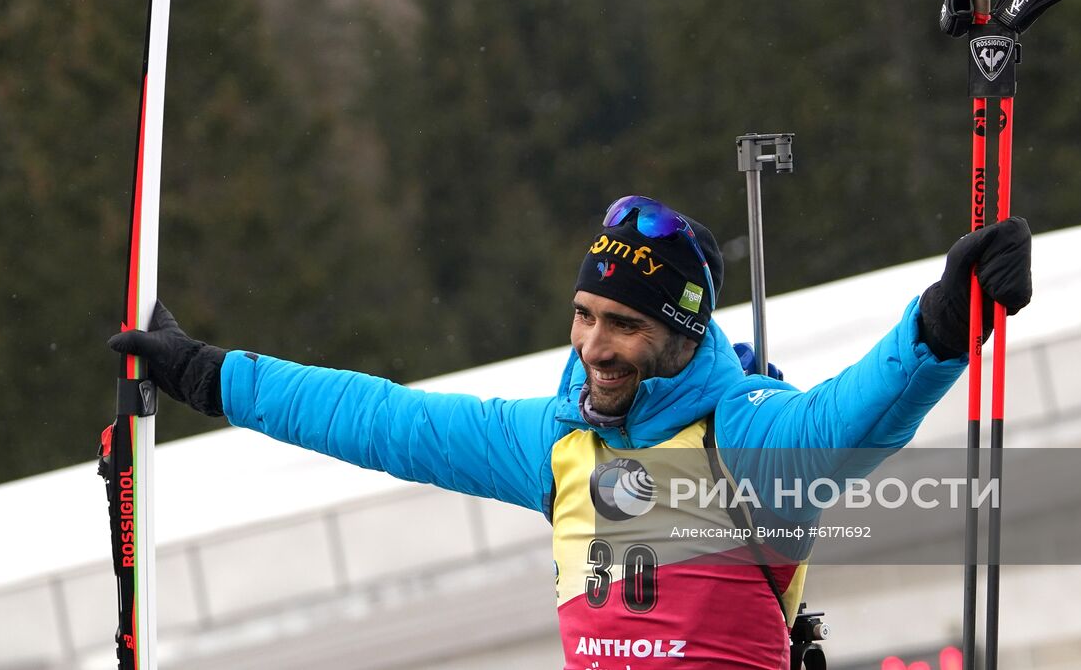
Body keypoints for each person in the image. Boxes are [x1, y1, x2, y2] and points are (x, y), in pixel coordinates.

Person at [110, 194, 1032, 670]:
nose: (594, 345)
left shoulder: (745, 441)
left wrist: (942, 323)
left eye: (623, 325)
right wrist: (207, 375)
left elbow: (854, 416)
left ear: (682, 334)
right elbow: (379, 419)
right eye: (585, 315)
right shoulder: (554, 443)